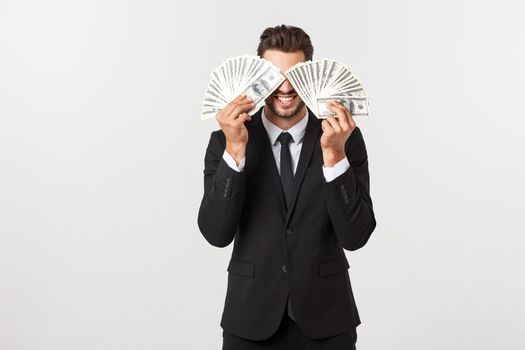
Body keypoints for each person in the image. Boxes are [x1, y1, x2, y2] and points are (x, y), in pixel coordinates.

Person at [198, 24, 377, 350]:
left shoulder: (344, 139)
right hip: (250, 320)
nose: (284, 86)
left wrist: (334, 157)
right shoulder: (223, 142)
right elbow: (215, 233)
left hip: (328, 322)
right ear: (255, 76)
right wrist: (235, 151)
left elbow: (357, 235)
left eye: (295, 74)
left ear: (311, 75)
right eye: (273, 74)